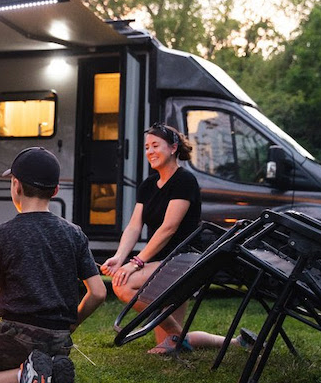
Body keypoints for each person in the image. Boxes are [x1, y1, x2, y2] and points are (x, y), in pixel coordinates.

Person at [0, 147, 107, 383]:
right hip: (58, 339)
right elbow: (98, 293)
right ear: (56, 190)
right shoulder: (74, 234)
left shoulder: (2, 235)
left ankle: (24, 374)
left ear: (16, 185)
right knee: (43, 353)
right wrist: (73, 323)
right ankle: (52, 378)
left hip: (15, 337)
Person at [101, 123, 255, 354]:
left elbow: (169, 228)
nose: (150, 152)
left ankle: (176, 337)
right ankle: (236, 342)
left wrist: (136, 262)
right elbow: (134, 226)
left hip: (183, 262)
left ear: (173, 148)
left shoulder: (185, 181)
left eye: (155, 145)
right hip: (161, 263)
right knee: (166, 342)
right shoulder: (148, 185)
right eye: (146, 147)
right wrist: (119, 256)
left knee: (122, 285)